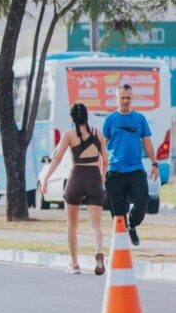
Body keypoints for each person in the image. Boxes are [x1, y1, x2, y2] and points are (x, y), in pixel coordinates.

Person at [40, 103, 108, 275]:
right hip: (94, 177)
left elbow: (57, 159)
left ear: (72, 118)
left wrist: (46, 178)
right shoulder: (98, 134)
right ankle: (98, 250)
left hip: (76, 177)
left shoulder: (69, 134)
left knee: (72, 225)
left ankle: (75, 264)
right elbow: (105, 161)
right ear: (87, 116)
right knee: (96, 225)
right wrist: (100, 180)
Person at [103, 83, 159, 246]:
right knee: (118, 214)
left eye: (128, 98)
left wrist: (154, 164)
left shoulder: (140, 119)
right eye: (122, 98)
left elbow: (147, 143)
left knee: (143, 200)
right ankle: (120, 245)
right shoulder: (110, 120)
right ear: (117, 98)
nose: (126, 101)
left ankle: (132, 225)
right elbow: (102, 146)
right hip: (115, 171)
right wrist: (101, 169)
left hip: (135, 169)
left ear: (132, 98)